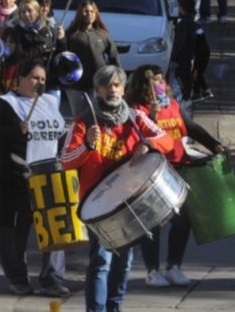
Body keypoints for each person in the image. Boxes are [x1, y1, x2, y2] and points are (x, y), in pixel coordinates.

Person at [62, 66, 173, 312]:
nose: (111, 89)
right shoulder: (84, 121)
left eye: (116, 85)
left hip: (130, 200)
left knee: (124, 261)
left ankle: (115, 307)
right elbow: (66, 160)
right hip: (97, 203)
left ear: (123, 89)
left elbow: (166, 139)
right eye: (106, 85)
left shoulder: (135, 117)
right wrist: (88, 146)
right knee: (101, 261)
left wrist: (147, 144)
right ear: (98, 90)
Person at [126, 65, 226, 288]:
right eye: (153, 83)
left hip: (179, 169)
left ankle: (173, 266)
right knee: (153, 223)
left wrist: (214, 144)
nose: (158, 87)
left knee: (183, 222)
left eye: (162, 81)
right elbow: (138, 138)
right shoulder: (136, 110)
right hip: (153, 173)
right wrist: (150, 116)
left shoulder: (172, 105)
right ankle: (152, 271)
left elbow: (190, 127)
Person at [0, 61, 70, 296]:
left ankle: (52, 279)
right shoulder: (6, 104)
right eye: (34, 78)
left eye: (42, 79)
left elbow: (60, 135)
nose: (39, 83)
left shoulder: (50, 102)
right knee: (15, 231)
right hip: (16, 177)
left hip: (48, 174)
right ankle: (18, 278)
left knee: (54, 229)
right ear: (19, 79)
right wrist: (14, 131)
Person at [63, 0, 120, 118]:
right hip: (76, 85)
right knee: (79, 118)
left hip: (98, 84)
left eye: (91, 11)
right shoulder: (71, 34)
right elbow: (63, 54)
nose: (89, 14)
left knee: (97, 116)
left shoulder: (102, 34)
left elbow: (113, 55)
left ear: (96, 14)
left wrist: (118, 77)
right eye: (85, 11)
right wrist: (60, 39)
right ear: (79, 13)